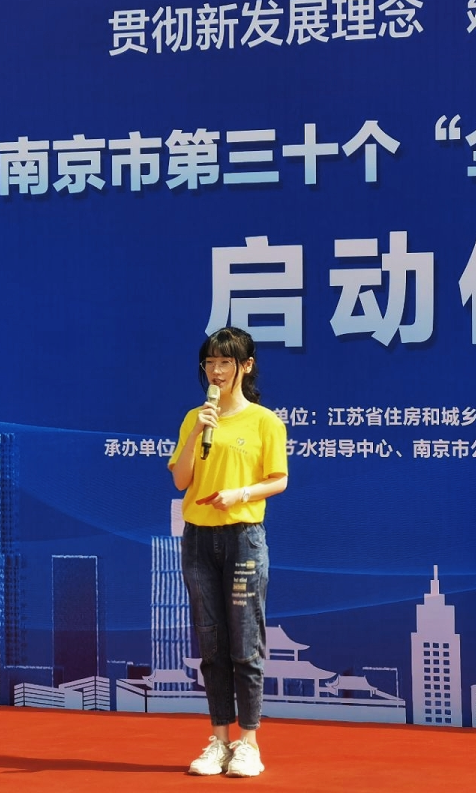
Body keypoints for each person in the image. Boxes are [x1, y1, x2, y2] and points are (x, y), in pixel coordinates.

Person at [167, 326, 289, 778]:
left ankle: (248, 743)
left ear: (246, 366)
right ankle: (218, 740)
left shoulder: (264, 421)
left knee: (245, 643)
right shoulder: (195, 417)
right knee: (211, 643)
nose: (216, 372)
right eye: (210, 363)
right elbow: (181, 479)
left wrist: (240, 494)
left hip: (243, 539)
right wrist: (198, 430)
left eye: (225, 363)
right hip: (198, 540)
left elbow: (279, 479)